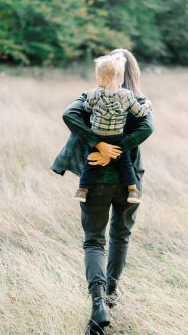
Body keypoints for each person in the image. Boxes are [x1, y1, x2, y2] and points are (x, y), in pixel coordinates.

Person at [50, 48, 154, 334]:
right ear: (132, 72)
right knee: (120, 237)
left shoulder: (90, 96)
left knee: (94, 241)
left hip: (95, 179)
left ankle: (98, 304)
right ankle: (110, 296)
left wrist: (99, 145)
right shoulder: (139, 101)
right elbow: (148, 126)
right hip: (130, 180)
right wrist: (119, 147)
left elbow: (70, 114)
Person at [73, 53, 152, 204]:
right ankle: (132, 191)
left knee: (90, 163)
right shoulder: (127, 95)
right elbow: (140, 112)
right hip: (117, 136)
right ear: (121, 78)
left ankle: (82, 190)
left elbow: (86, 108)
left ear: (99, 78)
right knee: (125, 163)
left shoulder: (93, 94)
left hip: (97, 136)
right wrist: (147, 104)